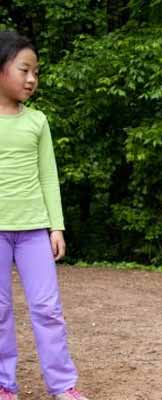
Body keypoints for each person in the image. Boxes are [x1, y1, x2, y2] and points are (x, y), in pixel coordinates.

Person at [0, 31, 90, 400]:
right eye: (24, 69)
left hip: (35, 229)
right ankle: (4, 385)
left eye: (36, 71)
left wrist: (57, 226)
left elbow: (48, 176)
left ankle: (62, 385)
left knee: (48, 308)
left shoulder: (37, 121)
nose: (32, 78)